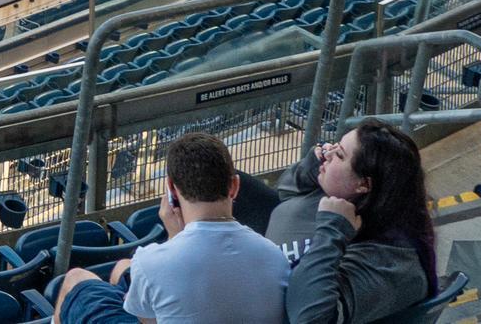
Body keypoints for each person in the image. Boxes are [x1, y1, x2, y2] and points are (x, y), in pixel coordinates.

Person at [53, 132, 289, 324]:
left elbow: (149, 320)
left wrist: (176, 236)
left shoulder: (152, 261)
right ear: (235, 186)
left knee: (76, 278)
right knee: (123, 268)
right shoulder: (274, 255)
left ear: (171, 190)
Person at [270, 121, 440, 324]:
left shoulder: (391, 265)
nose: (327, 154)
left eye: (339, 155)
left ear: (363, 184)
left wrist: (331, 232)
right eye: (333, 146)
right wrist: (310, 170)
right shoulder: (347, 197)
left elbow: (309, 318)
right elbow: (285, 193)